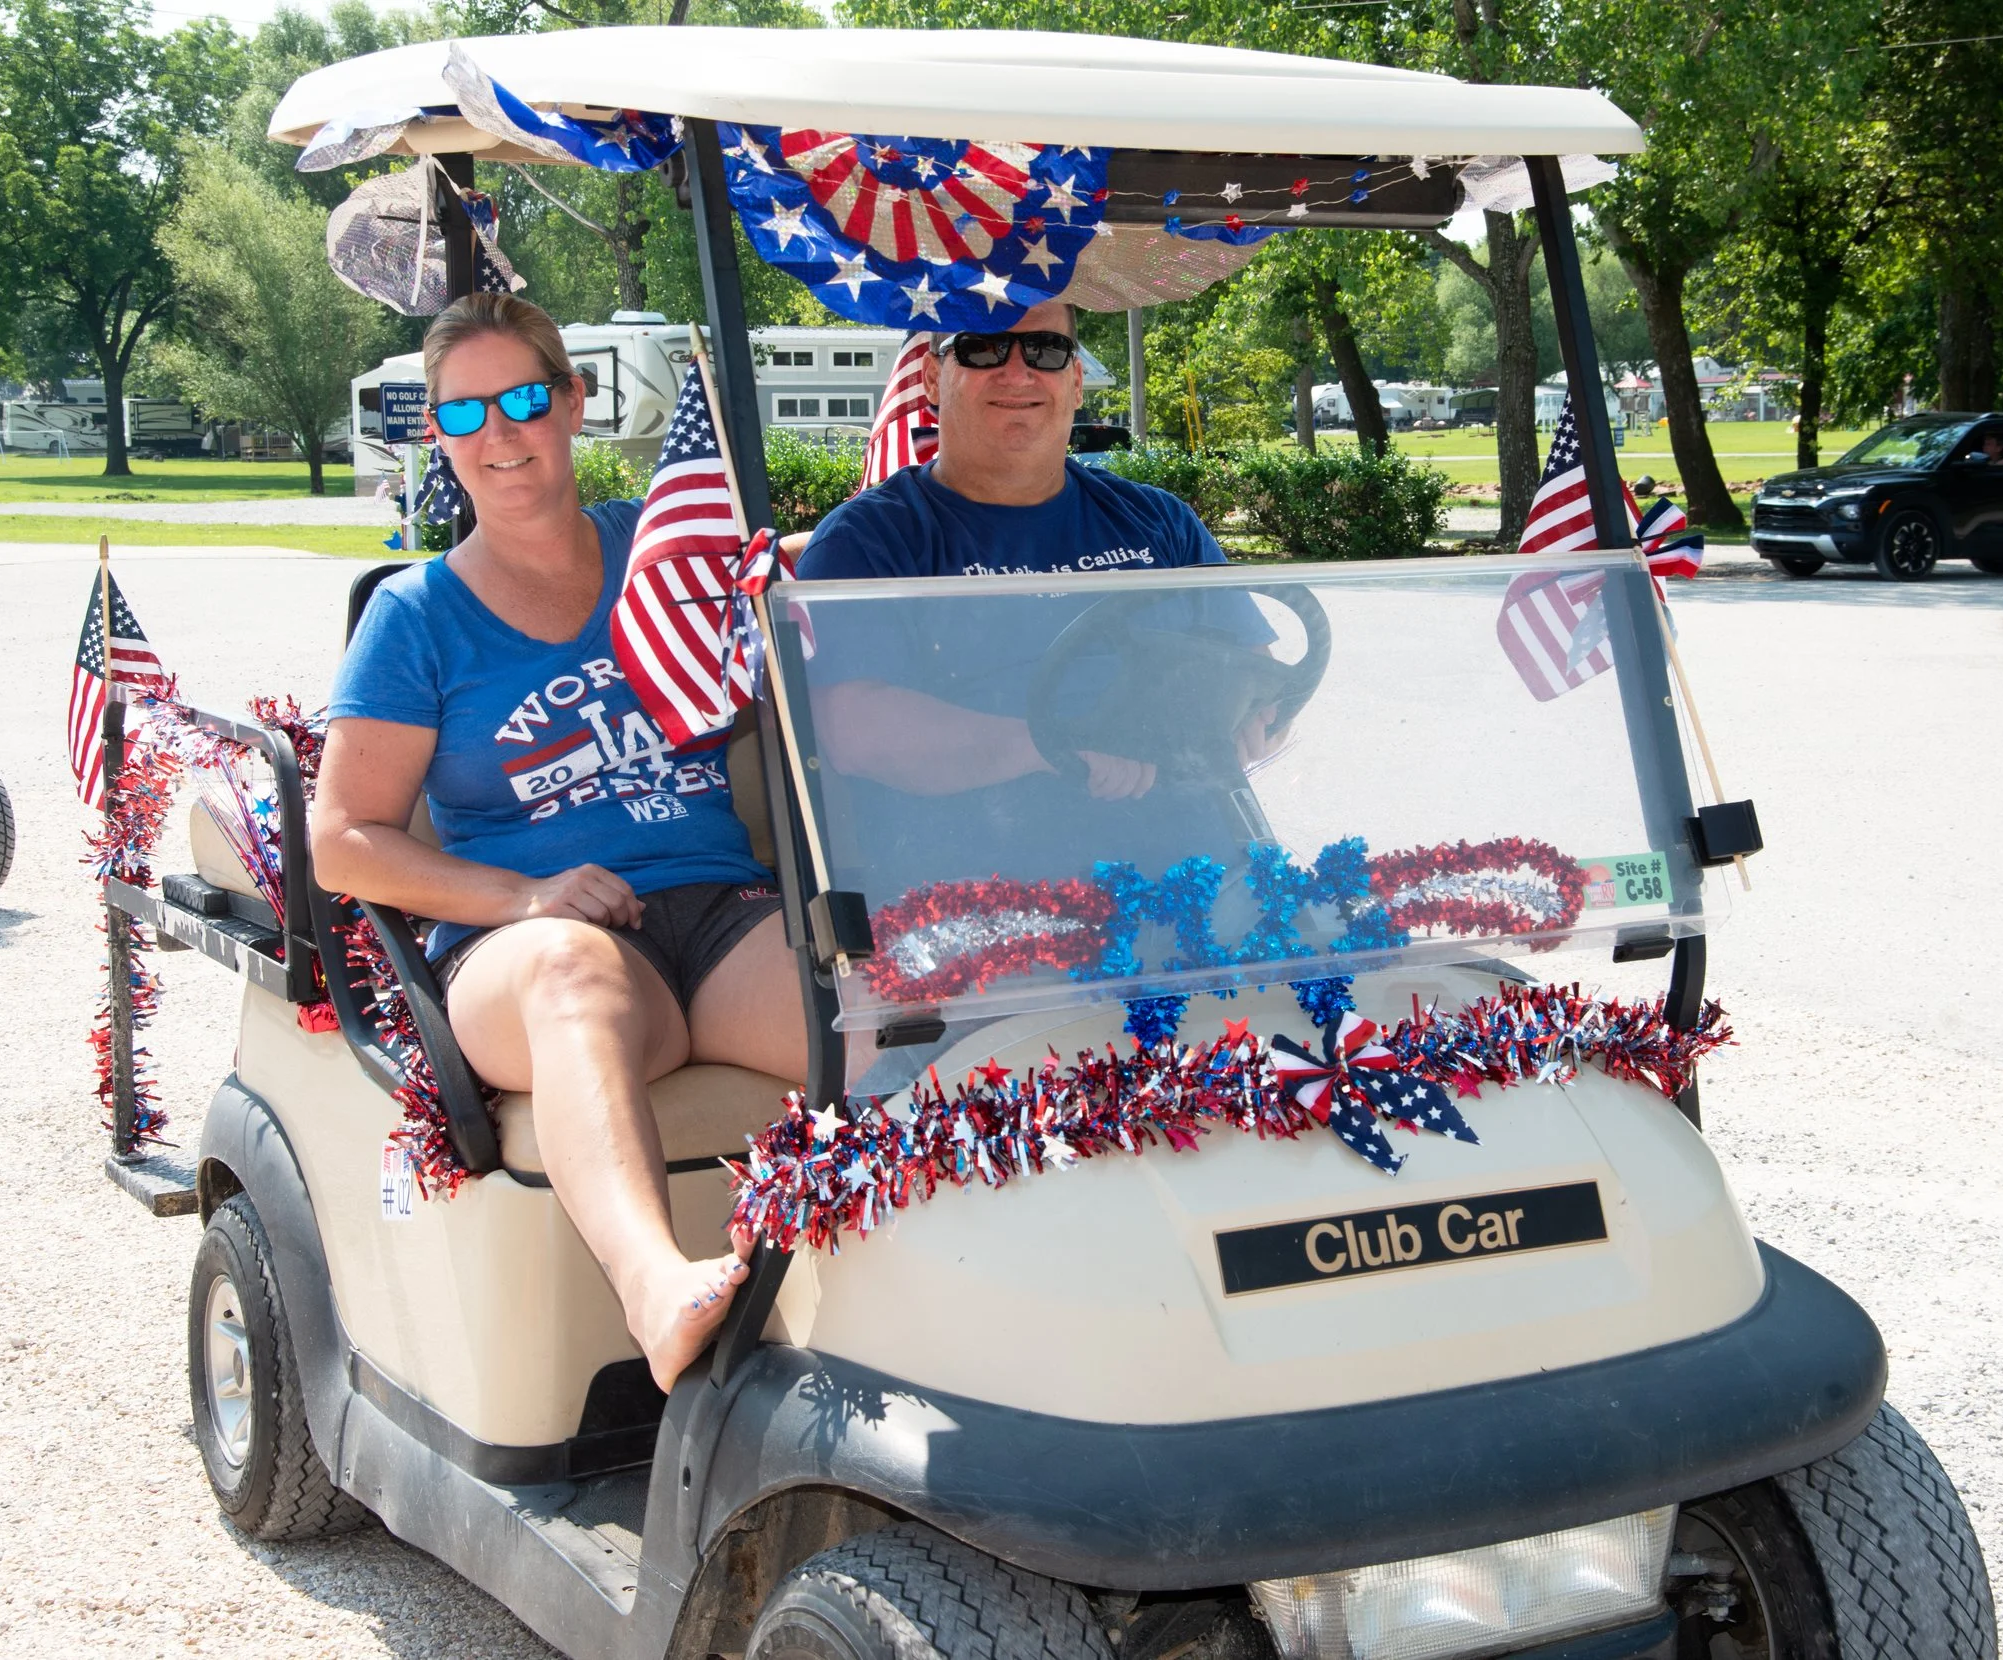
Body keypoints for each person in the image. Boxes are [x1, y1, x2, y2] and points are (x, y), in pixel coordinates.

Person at [311, 293, 801, 1393]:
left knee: (878, 992)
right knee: (574, 970)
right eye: (463, 412)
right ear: (434, 434)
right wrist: (526, 897)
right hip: (531, 947)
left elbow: (798, 628)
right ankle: (655, 1290)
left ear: (574, 403)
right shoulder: (418, 615)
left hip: (716, 917)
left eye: (524, 398)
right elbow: (343, 840)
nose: (499, 433)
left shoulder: (665, 547)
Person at [793, 301, 1288, 888]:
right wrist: (1056, 745)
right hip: (983, 891)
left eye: (1046, 352)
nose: (1018, 372)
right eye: (984, 347)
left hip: (1205, 869)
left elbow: (1263, 680)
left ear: (1075, 381)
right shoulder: (868, 543)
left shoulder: (1159, 522)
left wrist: (1252, 713)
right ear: (931, 377)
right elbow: (854, 733)